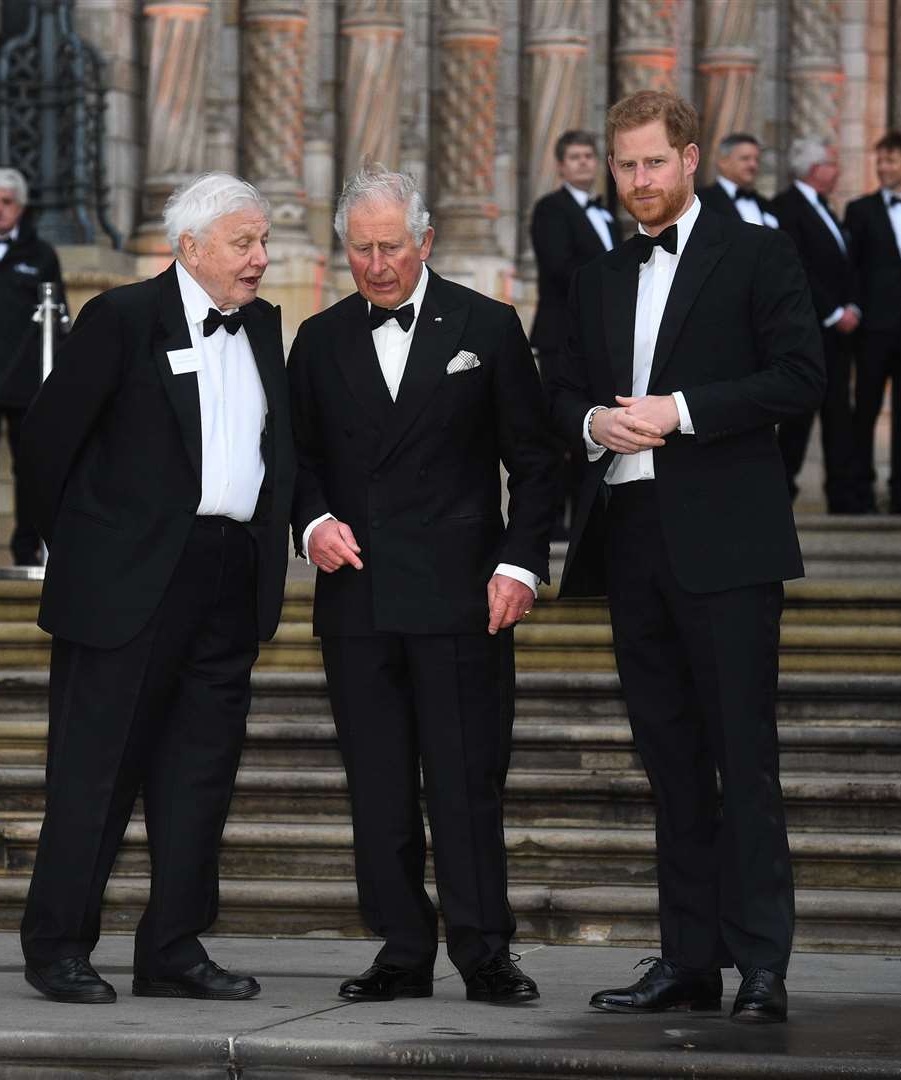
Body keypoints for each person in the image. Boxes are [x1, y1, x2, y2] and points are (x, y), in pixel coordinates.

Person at [545, 90, 823, 1024]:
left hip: (729, 544)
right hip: (629, 543)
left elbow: (798, 375)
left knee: (741, 760)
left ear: (690, 158)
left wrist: (679, 410)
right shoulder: (594, 275)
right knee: (666, 764)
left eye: (651, 162)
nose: (636, 181)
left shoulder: (756, 252)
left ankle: (761, 965)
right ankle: (687, 960)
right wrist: (592, 421)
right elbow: (558, 390)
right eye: (624, 165)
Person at [18, 172, 294, 1005]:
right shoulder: (122, 318)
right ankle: (57, 945)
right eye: (244, 242)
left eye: (263, 240)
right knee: (93, 775)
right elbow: (45, 444)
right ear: (190, 248)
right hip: (125, 587)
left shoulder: (266, 328)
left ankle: (172, 947)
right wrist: (86, 553)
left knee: (199, 777)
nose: (260, 257)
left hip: (227, 577)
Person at [289, 168, 561, 1006]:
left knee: (465, 783)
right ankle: (401, 950)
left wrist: (519, 564)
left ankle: (485, 954)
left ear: (426, 242)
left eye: (391, 248)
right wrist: (311, 524)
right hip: (358, 600)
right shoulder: (320, 337)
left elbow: (536, 461)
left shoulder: (487, 325)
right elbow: (293, 463)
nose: (375, 265)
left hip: (462, 601)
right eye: (361, 250)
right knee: (376, 788)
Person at [0, 166, 67, 572]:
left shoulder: (41, 255)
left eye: (6, 202)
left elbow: (59, 320)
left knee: (30, 472)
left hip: (27, 386)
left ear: (20, 207)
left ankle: (26, 551)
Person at [530, 130, 617, 542]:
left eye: (589, 156)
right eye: (575, 157)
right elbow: (559, 267)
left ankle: (587, 513)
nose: (584, 162)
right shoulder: (550, 209)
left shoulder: (609, 214)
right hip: (561, 334)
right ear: (561, 166)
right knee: (558, 429)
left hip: (599, 336)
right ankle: (552, 518)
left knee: (592, 426)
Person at [844, 131, 901, 514]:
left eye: (892, 160)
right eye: (880, 160)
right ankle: (860, 490)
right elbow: (851, 269)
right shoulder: (860, 210)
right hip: (873, 328)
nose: (884, 167)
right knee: (864, 409)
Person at [773, 137, 863, 511]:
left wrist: (853, 305)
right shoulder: (786, 208)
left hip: (839, 335)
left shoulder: (825, 207)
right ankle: (780, 493)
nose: (836, 170)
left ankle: (841, 493)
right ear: (813, 170)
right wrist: (832, 311)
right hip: (808, 331)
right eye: (830, 164)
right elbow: (797, 268)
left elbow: (842, 265)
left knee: (839, 413)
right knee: (797, 417)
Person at [697, 132, 778, 228]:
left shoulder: (765, 204)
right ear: (723, 162)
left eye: (757, 160)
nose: (753, 165)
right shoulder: (701, 201)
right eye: (745, 158)